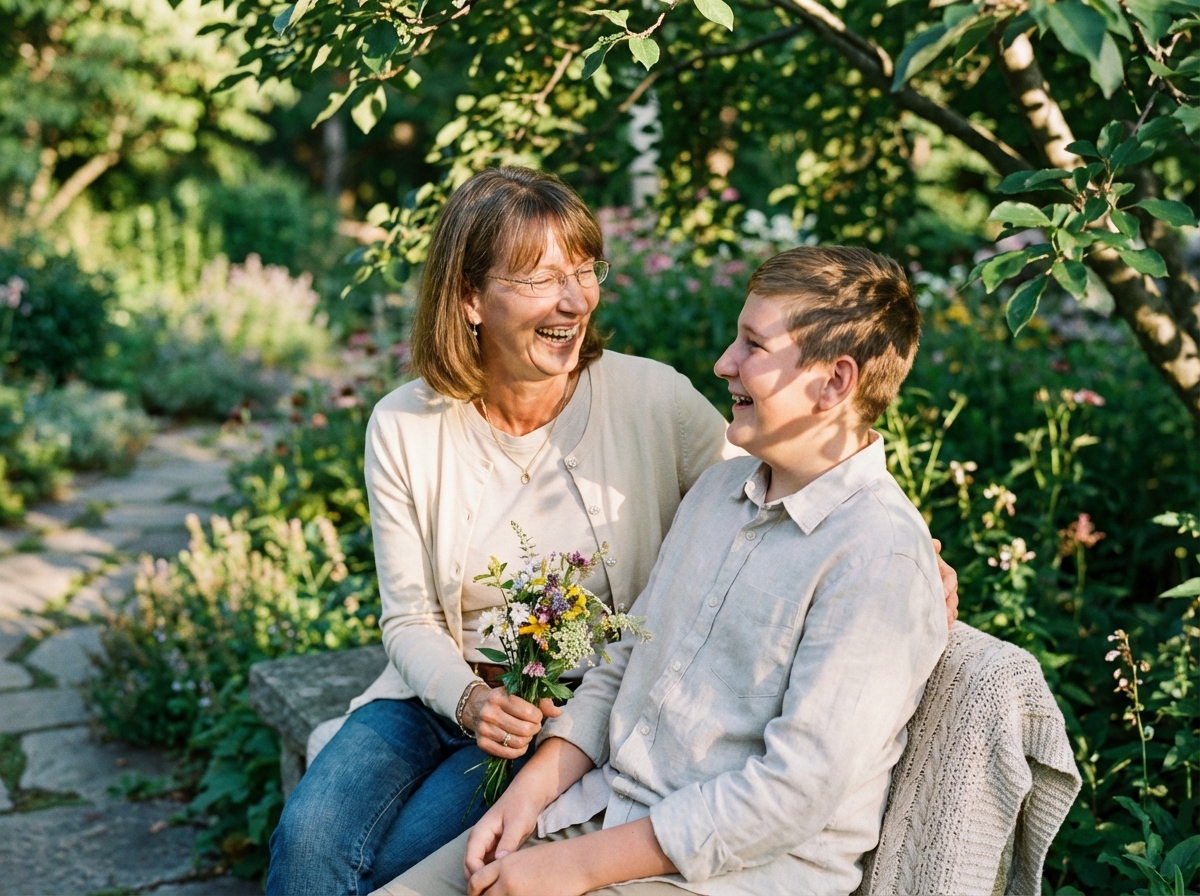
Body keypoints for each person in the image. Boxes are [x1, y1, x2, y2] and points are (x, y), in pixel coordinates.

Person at [266, 169, 959, 896]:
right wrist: (471, 701)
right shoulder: (407, 424)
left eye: (583, 271)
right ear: (470, 298)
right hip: (448, 699)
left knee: (388, 867)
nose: (574, 300)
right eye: (541, 278)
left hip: (563, 718)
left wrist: (919, 555)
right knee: (309, 842)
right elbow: (410, 614)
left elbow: (819, 480)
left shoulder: (656, 403)